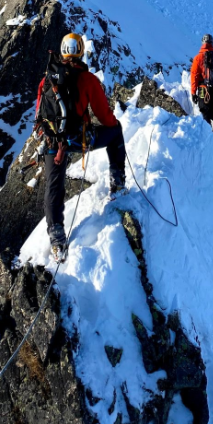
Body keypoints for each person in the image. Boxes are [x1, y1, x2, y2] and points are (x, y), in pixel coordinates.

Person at [34, 32, 126, 262]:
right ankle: (117, 183)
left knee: (54, 187)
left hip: (52, 142)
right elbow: (105, 117)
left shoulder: (47, 79)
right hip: (77, 140)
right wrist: (115, 124)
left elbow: (39, 113)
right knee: (115, 134)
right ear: (81, 51)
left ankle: (56, 237)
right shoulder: (88, 80)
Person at [190, 34, 213, 133]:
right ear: (212, 43)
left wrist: (193, 92)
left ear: (203, 43)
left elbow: (194, 76)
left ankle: (207, 138)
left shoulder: (198, 58)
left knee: (205, 113)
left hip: (203, 90)